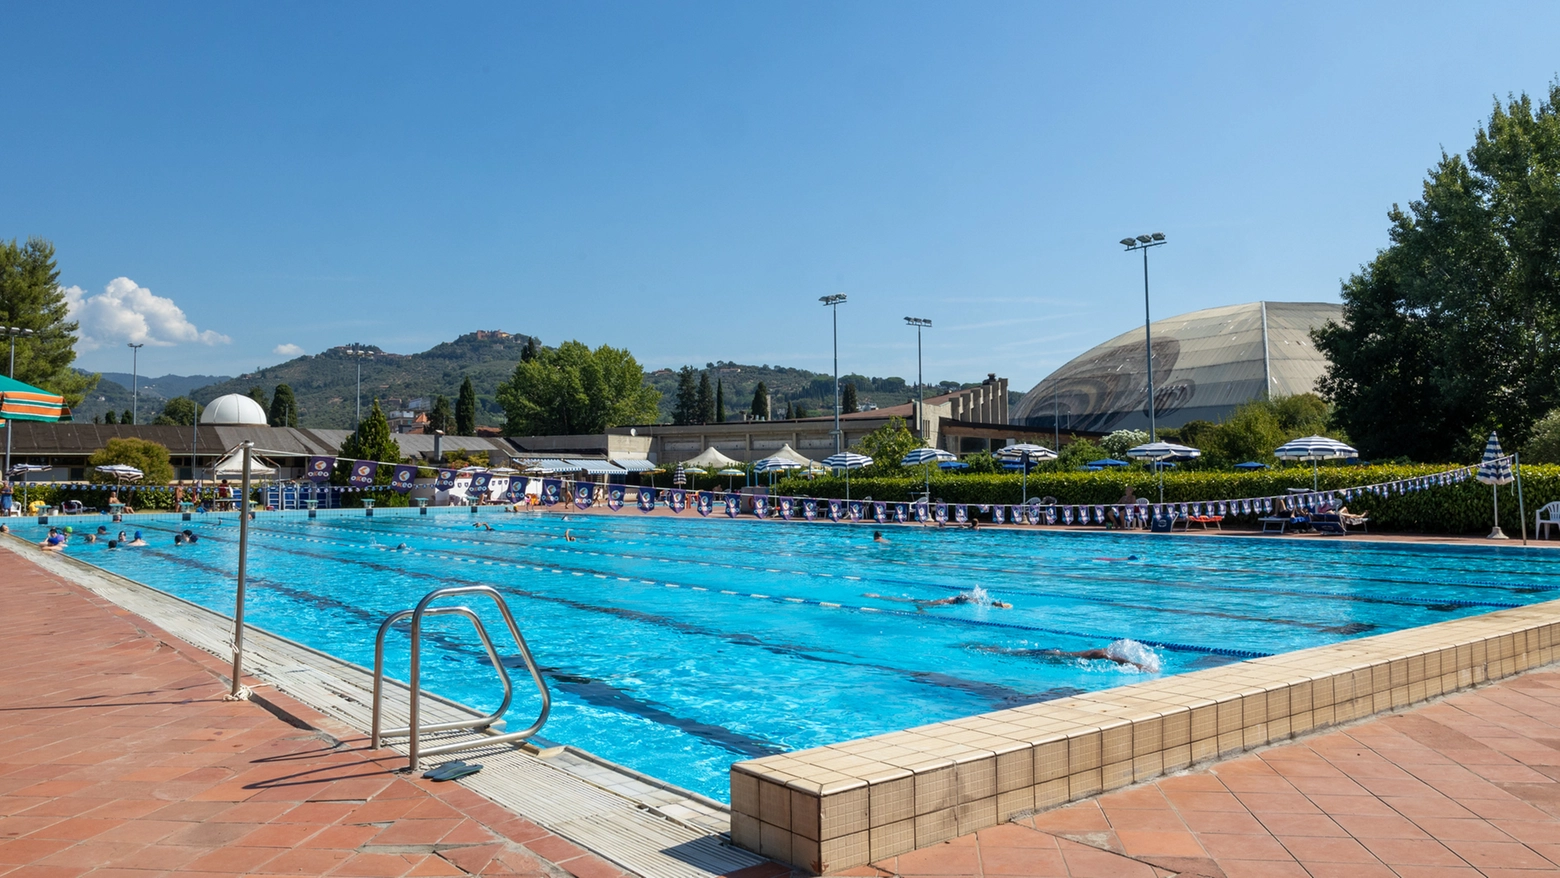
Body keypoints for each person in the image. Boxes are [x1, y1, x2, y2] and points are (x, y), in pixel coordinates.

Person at [972, 643, 1156, 672]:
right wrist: (1141, 666)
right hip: (1053, 656)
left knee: (1017, 654)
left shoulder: (1102, 653)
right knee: (1016, 654)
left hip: (1057, 655)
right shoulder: (1101, 654)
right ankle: (992, 649)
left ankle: (992, 649)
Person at [864, 592, 1012, 610]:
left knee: (906, 601)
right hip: (940, 601)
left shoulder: (978, 600)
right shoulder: (977, 601)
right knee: (911, 602)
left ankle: (877, 596)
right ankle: (877, 597)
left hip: (940, 600)